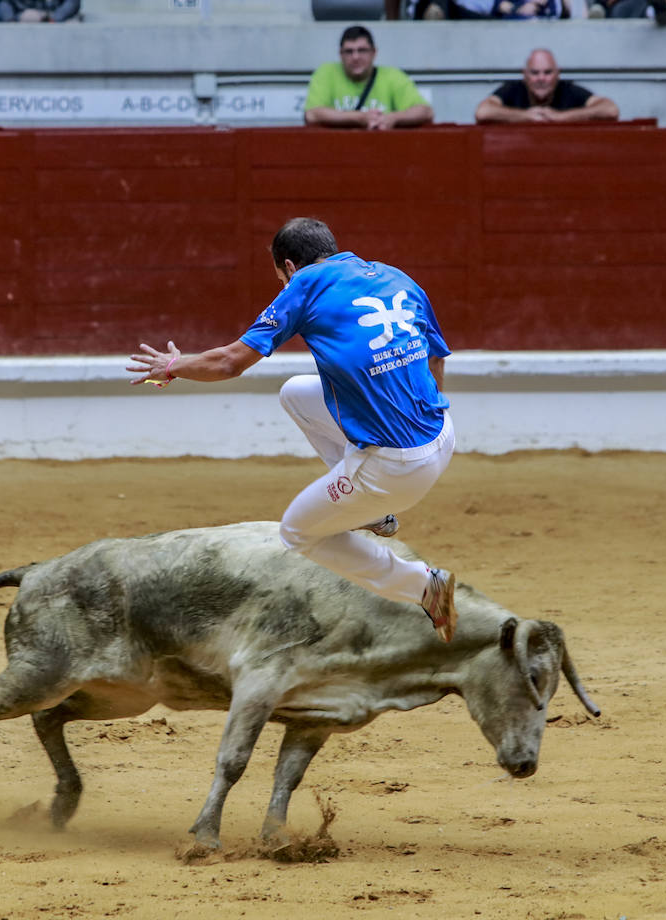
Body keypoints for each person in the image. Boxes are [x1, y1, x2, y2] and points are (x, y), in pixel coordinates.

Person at [127, 218, 460, 643]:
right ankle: (374, 510)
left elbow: (229, 362)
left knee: (299, 531)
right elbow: (436, 357)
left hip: (396, 467)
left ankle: (425, 587)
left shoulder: (303, 286)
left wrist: (172, 366)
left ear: (288, 267)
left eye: (279, 278)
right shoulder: (393, 275)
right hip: (443, 433)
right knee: (297, 392)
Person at [303, 26, 434, 131]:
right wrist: (360, 118)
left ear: (374, 53)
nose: (355, 57)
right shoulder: (326, 73)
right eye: (349, 51)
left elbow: (426, 112)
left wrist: (393, 118)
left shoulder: (392, 75)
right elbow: (312, 114)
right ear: (340, 54)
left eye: (362, 50)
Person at [474, 49, 619, 125]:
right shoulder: (514, 89)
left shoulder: (567, 90)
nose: (541, 78)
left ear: (558, 74)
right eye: (535, 73)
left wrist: (563, 117)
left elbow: (611, 110)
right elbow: (482, 112)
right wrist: (526, 116)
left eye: (548, 72)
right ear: (525, 75)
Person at [0, 0, 79, 21]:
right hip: (32, 17)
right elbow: (5, 3)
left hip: (60, 17)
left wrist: (56, 18)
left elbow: (72, 3)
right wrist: (10, 19)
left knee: (73, 24)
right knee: (30, 16)